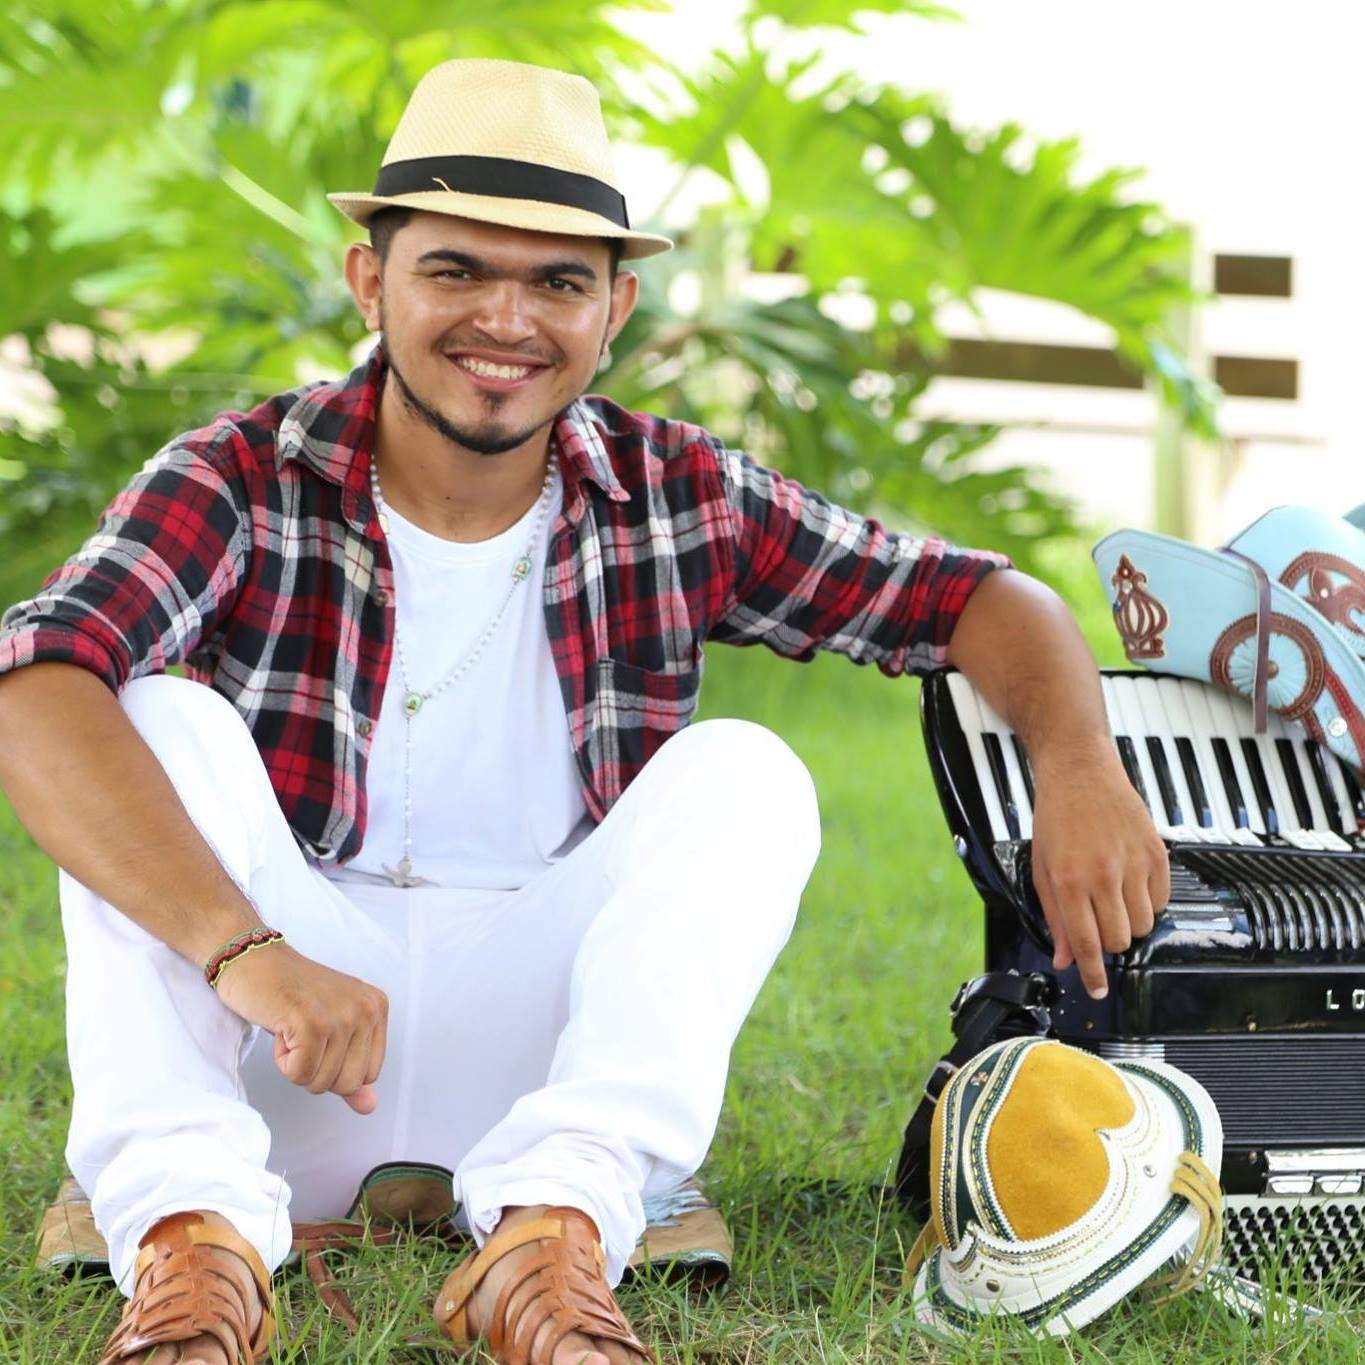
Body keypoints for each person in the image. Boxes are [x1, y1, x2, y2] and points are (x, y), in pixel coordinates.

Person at [0, 58, 1168, 1365]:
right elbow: (35, 685)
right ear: (370, 281)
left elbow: (971, 597)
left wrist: (1078, 767)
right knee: (154, 718)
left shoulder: (673, 492)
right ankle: (192, 1248)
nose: (505, 320)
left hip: (544, 1085)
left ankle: (552, 1238)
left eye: (557, 282)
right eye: (455, 270)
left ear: (613, 308)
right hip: (285, 1054)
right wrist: (244, 951)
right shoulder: (244, 473)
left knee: (745, 769)